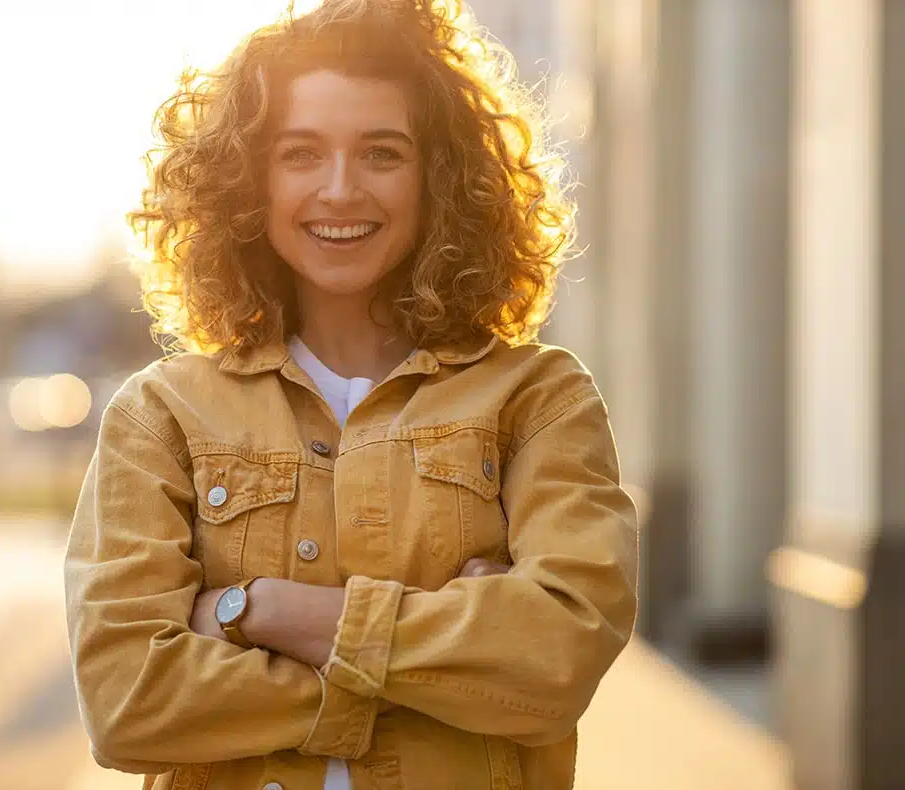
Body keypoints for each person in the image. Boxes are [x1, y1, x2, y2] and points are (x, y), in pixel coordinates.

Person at [63, 1, 638, 788]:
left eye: (381, 153)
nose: (340, 189)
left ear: (439, 176)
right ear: (247, 178)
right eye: (300, 154)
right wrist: (448, 666)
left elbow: (557, 659)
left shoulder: (539, 400)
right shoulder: (160, 415)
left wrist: (260, 611)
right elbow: (127, 701)